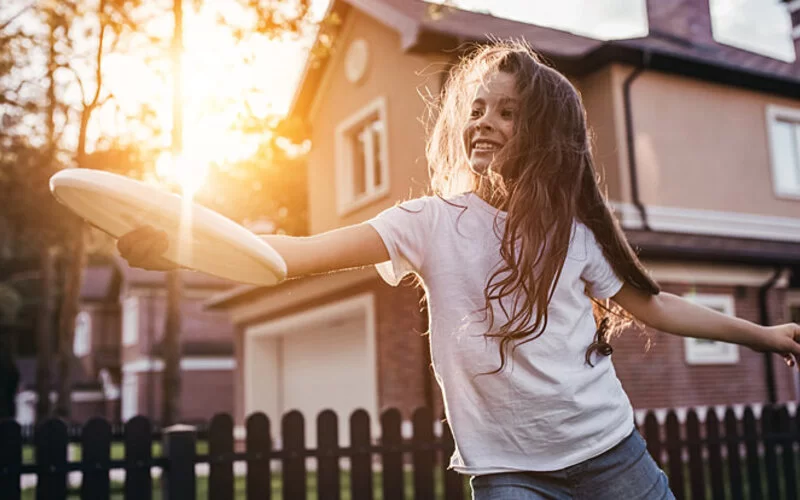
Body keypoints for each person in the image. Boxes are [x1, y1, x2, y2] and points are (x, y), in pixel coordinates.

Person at [117, 41, 800, 499]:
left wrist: (764, 335)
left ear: (544, 134)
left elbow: (656, 305)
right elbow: (288, 258)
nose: (483, 121)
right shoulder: (428, 222)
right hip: (507, 474)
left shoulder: (573, 234)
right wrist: (182, 242)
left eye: (507, 112)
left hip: (609, 453)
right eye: (476, 108)